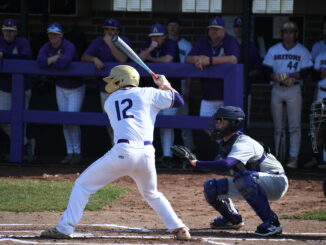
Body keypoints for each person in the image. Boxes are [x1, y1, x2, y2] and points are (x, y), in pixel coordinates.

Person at [40, 65, 191, 241]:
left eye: (113, 79)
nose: (110, 83)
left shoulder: (110, 101)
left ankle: (64, 228)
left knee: (82, 185)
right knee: (152, 193)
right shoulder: (149, 92)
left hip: (123, 152)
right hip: (147, 154)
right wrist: (165, 85)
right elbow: (178, 101)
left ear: (121, 80)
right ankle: (179, 227)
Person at [186, 106, 288, 236]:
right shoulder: (226, 142)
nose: (217, 124)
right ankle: (232, 219)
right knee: (211, 187)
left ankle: (272, 223)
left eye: (221, 121)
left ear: (234, 123)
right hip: (254, 180)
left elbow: (226, 165)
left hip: (276, 181)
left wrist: (197, 163)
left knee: (244, 179)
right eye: (217, 121)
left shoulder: (243, 143)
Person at [262, 21, 313, 169]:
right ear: (282, 34)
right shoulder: (274, 49)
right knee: (278, 127)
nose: (288, 35)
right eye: (285, 32)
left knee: (294, 126)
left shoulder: (302, 50)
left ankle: (293, 157)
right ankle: (278, 156)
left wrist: (294, 76)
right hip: (277, 88)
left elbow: (307, 71)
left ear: (296, 34)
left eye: (291, 32)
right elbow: (266, 69)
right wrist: (274, 77)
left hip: (293, 89)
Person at [37, 23, 85, 165]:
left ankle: (78, 152)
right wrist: (53, 58)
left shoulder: (68, 46)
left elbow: (63, 64)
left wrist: (52, 62)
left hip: (75, 87)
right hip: (60, 86)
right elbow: (39, 61)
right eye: (51, 34)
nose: (53, 37)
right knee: (64, 121)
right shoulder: (47, 47)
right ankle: (69, 152)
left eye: (56, 34)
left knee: (72, 121)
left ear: (61, 35)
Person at [81, 18, 129, 146]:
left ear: (118, 31)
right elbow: (84, 57)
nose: (109, 32)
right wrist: (94, 58)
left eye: (113, 29)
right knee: (109, 121)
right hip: (105, 88)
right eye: (107, 29)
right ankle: (115, 149)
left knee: (122, 121)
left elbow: (122, 59)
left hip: (122, 89)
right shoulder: (98, 42)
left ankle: (123, 148)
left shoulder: (122, 41)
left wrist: (110, 44)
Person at [139, 23, 180, 168]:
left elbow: (168, 59)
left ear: (164, 36)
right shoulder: (148, 44)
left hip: (168, 88)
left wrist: (152, 60)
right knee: (150, 123)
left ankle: (168, 156)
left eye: (158, 36)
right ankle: (153, 156)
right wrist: (151, 48)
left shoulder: (171, 44)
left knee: (167, 125)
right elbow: (139, 59)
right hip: (152, 92)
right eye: (153, 36)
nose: (155, 39)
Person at [185, 17, 241, 119]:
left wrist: (210, 61)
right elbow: (187, 58)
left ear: (224, 30)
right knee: (206, 126)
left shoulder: (230, 41)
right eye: (212, 29)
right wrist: (197, 59)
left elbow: (233, 59)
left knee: (227, 129)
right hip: (208, 96)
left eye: (217, 29)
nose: (214, 31)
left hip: (227, 96)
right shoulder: (203, 42)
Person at [0, 18, 34, 161]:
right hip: (4, 87)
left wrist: (5, 56)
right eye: (6, 30)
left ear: (16, 32)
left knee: (21, 121)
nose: (8, 33)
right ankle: (25, 143)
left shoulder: (22, 42)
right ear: (2, 31)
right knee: (3, 120)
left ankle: (21, 154)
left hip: (22, 88)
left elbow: (25, 56)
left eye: (11, 31)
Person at [166, 18, 195, 160]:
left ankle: (190, 154)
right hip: (166, 85)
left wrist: (188, 88)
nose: (172, 28)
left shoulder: (186, 44)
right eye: (170, 25)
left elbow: (190, 69)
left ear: (180, 27)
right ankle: (167, 155)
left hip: (182, 83)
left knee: (184, 122)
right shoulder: (164, 43)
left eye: (175, 25)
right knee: (166, 122)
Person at [233, 16, 262, 128]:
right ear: (233, 28)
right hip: (227, 88)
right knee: (228, 120)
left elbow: (258, 70)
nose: (239, 29)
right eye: (236, 26)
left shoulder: (252, 48)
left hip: (245, 88)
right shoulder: (228, 44)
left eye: (242, 26)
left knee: (243, 120)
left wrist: (245, 75)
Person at [304, 52, 326, 169]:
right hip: (321, 93)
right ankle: (315, 159)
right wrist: (321, 74)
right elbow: (314, 76)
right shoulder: (321, 56)